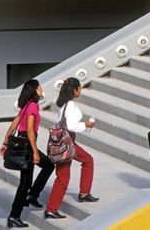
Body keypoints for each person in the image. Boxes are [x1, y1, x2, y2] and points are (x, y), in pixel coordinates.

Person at [0, 80, 54, 228]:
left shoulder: (25, 106)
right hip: (28, 146)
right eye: (40, 87)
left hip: (22, 144)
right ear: (35, 90)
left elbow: (14, 124)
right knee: (25, 182)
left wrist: (5, 143)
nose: (42, 89)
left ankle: (31, 196)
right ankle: (14, 215)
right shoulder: (33, 107)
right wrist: (35, 151)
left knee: (46, 166)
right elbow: (30, 130)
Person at [44, 77, 98, 219]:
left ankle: (84, 193)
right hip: (67, 143)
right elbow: (72, 126)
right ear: (75, 90)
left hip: (63, 141)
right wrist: (86, 124)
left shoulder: (63, 105)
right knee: (64, 177)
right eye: (79, 88)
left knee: (86, 161)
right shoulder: (71, 105)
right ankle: (51, 208)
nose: (80, 90)